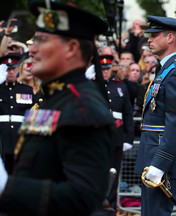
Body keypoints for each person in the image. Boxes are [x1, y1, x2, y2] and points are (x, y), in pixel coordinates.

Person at [0, 2, 117, 215]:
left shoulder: (82, 107)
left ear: (71, 48)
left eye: (41, 41)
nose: (32, 49)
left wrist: (5, 187)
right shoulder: (56, 98)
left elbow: (82, 198)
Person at [133, 15, 176, 216]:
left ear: (170, 38)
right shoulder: (165, 69)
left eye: (154, 35)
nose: (149, 39)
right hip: (152, 154)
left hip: (161, 160)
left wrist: (160, 164)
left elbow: (175, 123)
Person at [99, 54, 135, 212]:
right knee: (98, 172)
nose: (105, 72)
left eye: (107, 69)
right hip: (98, 138)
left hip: (117, 137)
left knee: (114, 174)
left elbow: (128, 114)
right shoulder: (92, 85)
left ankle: (111, 207)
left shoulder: (120, 86)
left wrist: (129, 138)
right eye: (102, 69)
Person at [0, 52, 33, 173]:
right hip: (2, 137)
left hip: (21, 137)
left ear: (18, 69)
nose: (11, 72)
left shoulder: (27, 90)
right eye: (8, 70)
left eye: (13, 69)